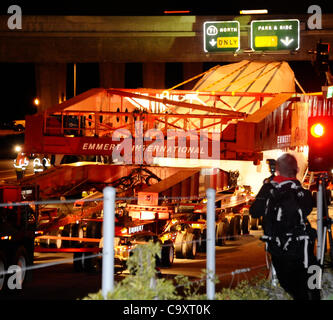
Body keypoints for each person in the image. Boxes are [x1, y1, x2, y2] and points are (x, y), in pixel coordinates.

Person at [250, 153, 321, 300]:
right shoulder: (303, 192)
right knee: (311, 276)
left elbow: (255, 212)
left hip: (280, 247)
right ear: (296, 169)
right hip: (303, 245)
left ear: (277, 170)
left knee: (290, 284)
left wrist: (268, 186)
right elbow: (306, 209)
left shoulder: (269, 189)